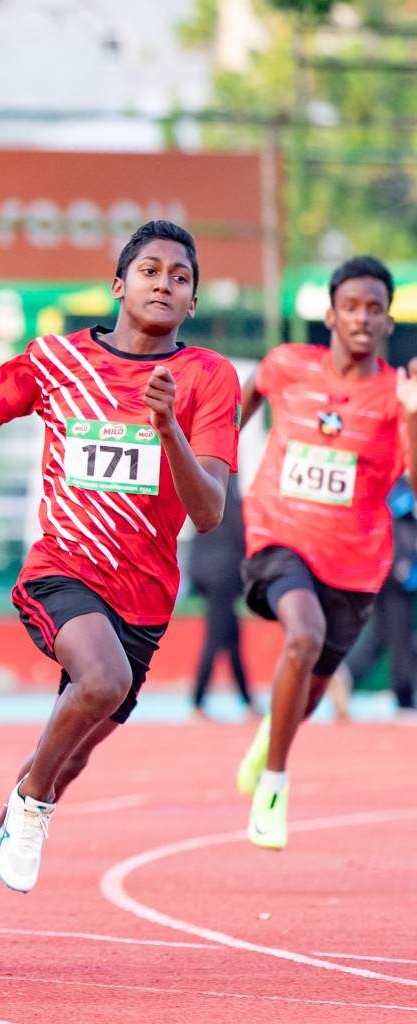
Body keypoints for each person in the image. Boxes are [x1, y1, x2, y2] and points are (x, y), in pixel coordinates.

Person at [0, 221, 241, 971]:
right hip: (62, 571)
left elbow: (208, 512)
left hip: (144, 599)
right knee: (99, 684)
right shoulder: (58, 357)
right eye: (150, 270)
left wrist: (167, 425)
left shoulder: (207, 378)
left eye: (179, 276)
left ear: (193, 300)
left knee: (65, 752)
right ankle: (32, 812)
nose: (164, 283)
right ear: (119, 284)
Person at [233, 255, 417, 849]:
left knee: (313, 681)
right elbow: (250, 393)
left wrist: (411, 418)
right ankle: (276, 786)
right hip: (278, 539)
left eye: (375, 309)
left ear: (387, 322)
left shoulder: (397, 394)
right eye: (352, 307)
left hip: (357, 562)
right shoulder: (288, 365)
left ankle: (272, 735)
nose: (363, 318)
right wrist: (213, 460)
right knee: (302, 636)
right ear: (330, 314)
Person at [334, 478, 417, 719]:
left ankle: (347, 674)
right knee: (400, 636)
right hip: (394, 570)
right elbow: (396, 517)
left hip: (386, 569)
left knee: (381, 635)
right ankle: (404, 697)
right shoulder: (396, 486)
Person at [187, 476, 252, 718]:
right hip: (221, 574)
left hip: (204, 571)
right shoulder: (230, 494)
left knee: (232, 638)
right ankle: (196, 703)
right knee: (215, 637)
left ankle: (247, 701)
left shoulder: (207, 486)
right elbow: (243, 534)